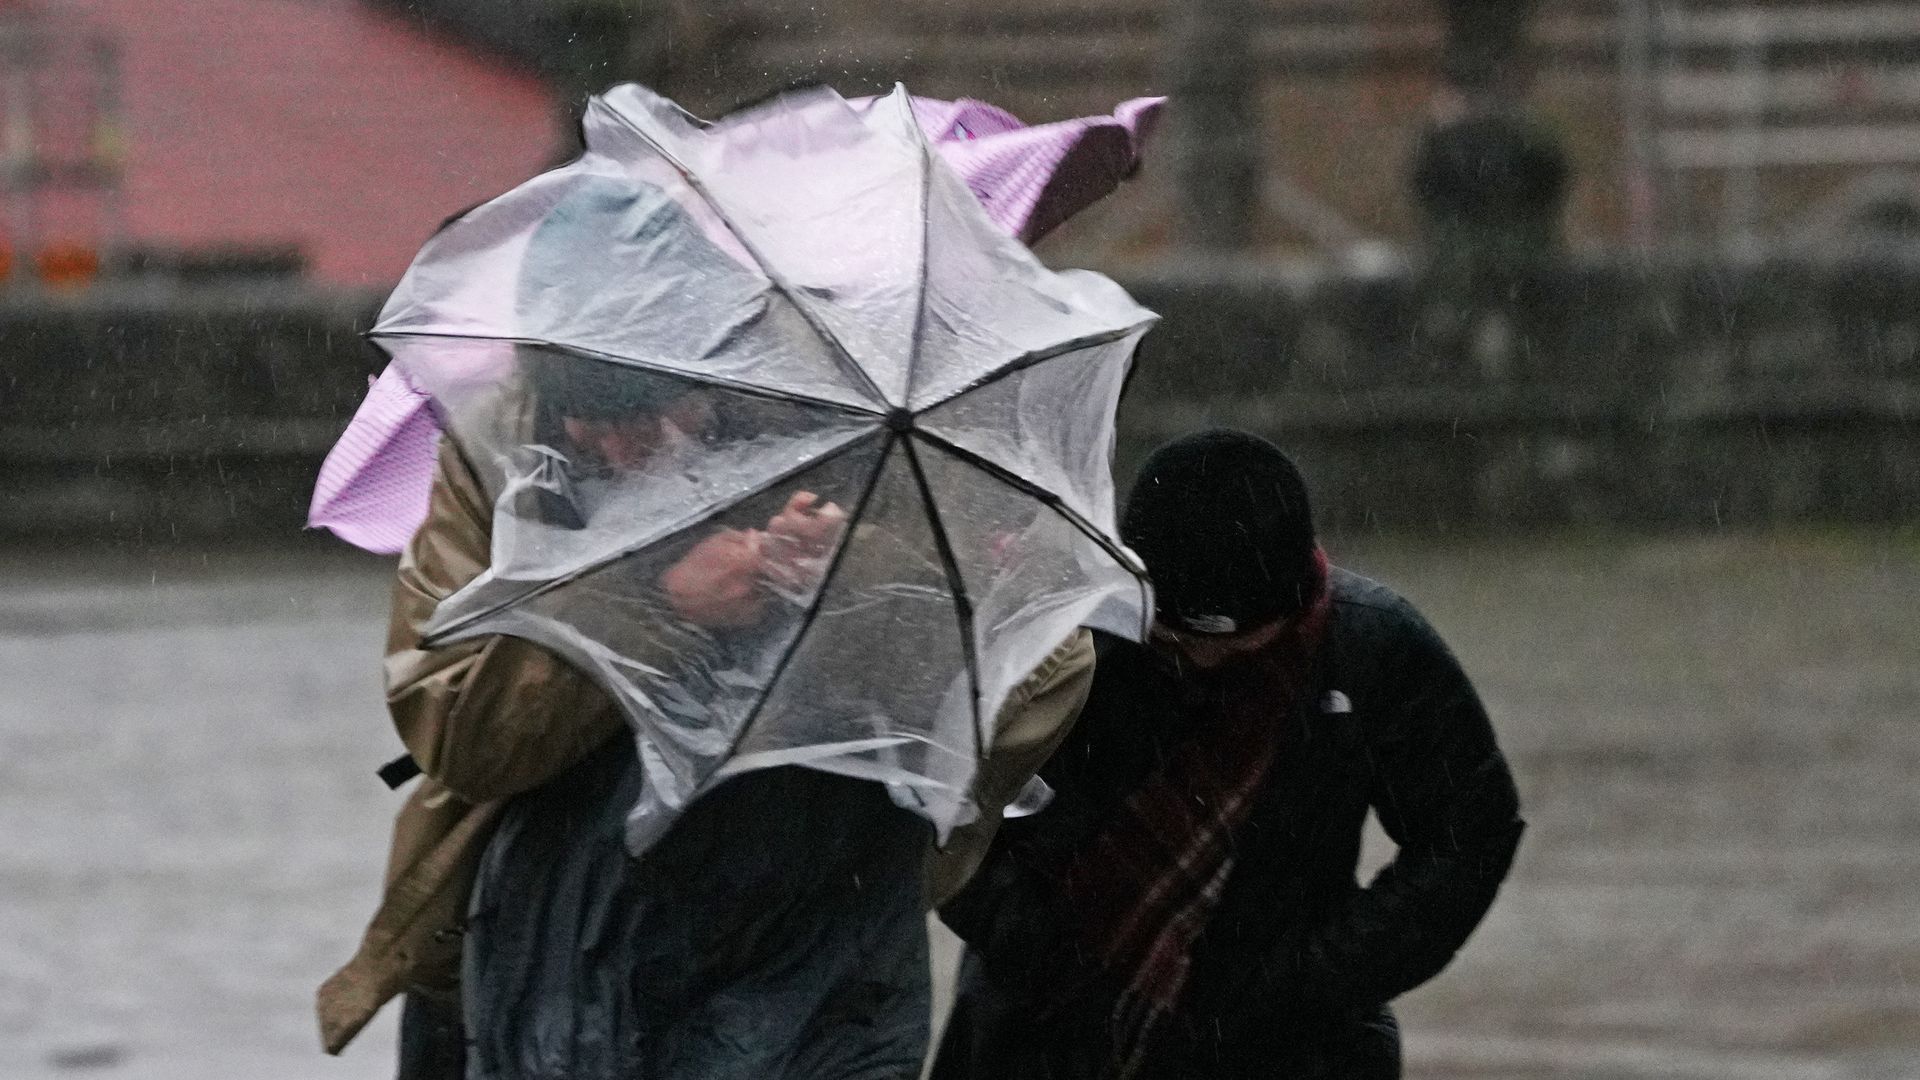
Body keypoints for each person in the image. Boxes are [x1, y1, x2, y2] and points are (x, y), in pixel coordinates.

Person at [315, 355, 1099, 1079]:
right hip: (565, 932)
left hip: (825, 930)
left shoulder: (879, 424)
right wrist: (656, 608)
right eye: (594, 427)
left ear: (711, 380)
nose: (628, 451)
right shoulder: (494, 451)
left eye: (656, 420)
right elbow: (462, 737)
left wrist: (848, 578)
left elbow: (1044, 668)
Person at [933, 429, 1525, 1080]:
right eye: (1168, 628)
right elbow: (948, 806)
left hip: (1284, 1047)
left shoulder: (1373, 651)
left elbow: (1469, 833)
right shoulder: (1068, 637)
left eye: (1222, 639)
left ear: (1289, 606)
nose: (1191, 654)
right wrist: (1040, 950)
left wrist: (1313, 979)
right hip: (1039, 1034)